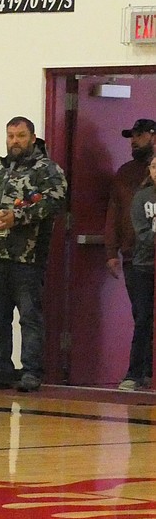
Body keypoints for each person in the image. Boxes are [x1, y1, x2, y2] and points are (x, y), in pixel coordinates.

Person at [0, 117, 68, 393]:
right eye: (10, 136)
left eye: (21, 136)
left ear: (32, 138)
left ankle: (32, 371)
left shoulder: (46, 170)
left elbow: (55, 201)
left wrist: (18, 217)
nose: (15, 141)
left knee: (29, 317)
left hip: (28, 258)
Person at [107, 118, 156, 390]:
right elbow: (114, 212)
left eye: (139, 135)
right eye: (131, 136)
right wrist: (110, 250)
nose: (133, 141)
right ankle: (138, 371)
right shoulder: (125, 174)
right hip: (135, 258)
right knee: (142, 316)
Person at [122, 152, 156, 390]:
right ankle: (135, 373)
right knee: (143, 318)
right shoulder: (142, 197)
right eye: (154, 166)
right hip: (144, 265)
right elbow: (142, 234)